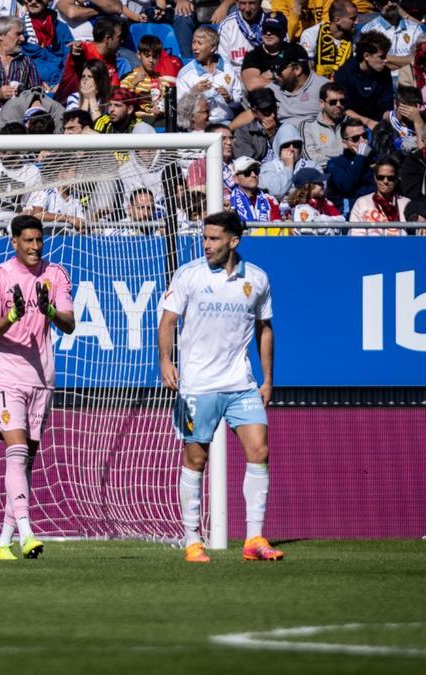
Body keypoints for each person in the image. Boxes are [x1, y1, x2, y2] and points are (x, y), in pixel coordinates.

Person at [157, 210, 280, 564]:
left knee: (259, 451)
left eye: (213, 238)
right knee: (196, 458)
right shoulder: (190, 275)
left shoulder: (256, 279)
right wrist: (166, 362)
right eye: (205, 237)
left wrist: (268, 379)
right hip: (197, 384)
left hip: (241, 383)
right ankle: (193, 540)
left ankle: (254, 538)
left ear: (233, 241)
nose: (206, 244)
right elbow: (168, 321)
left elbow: (265, 329)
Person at [0, 214, 75, 560]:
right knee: (17, 452)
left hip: (42, 376)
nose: (36, 247)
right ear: (15, 242)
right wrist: (12, 316)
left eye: (39, 240)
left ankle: (3, 543)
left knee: (26, 461)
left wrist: (50, 310)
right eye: (28, 241)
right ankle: (27, 535)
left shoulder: (56, 274)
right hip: (7, 374)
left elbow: (70, 324)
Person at [175, 25, 243, 124]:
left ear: (213, 48)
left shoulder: (228, 69)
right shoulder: (185, 74)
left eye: (199, 43)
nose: (194, 48)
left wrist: (229, 98)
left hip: (225, 123)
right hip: (198, 126)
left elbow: (238, 101)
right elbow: (180, 109)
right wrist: (193, 92)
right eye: (193, 42)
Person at [333, 31, 394, 131]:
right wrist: (367, 122)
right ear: (366, 56)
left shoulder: (385, 72)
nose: (386, 61)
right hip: (350, 124)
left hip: (377, 123)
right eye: (381, 57)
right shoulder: (344, 73)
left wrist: (387, 122)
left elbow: (387, 106)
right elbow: (343, 108)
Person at [326, 118, 375, 214]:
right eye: (355, 138)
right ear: (345, 143)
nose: (362, 141)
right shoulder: (335, 164)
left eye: (364, 136)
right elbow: (346, 186)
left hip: (374, 212)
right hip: (351, 215)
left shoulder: (375, 159)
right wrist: (360, 157)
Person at [349, 157, 410, 234]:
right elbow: (356, 234)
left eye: (390, 178)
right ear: (375, 177)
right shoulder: (362, 202)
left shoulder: (406, 204)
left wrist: (422, 221)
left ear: (396, 178)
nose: (385, 181)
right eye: (381, 177)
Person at [299, 0, 357, 78]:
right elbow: (308, 68)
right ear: (337, 20)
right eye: (353, 19)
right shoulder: (311, 34)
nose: (357, 22)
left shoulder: (357, 36)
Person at [240, 11, 288, 91]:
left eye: (273, 29)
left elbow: (305, 79)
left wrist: (264, 77)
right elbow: (252, 84)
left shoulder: (295, 50)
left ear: (284, 31)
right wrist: (277, 76)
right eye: (265, 29)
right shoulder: (253, 56)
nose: (268, 33)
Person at [302, 82, 350, 164]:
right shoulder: (308, 126)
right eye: (333, 102)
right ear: (322, 103)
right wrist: (342, 158)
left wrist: (322, 151)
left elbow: (359, 152)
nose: (339, 105)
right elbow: (310, 158)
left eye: (342, 101)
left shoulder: (352, 123)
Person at [229, 156, 281, 222]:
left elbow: (277, 227)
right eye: (247, 172)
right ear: (236, 179)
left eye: (256, 171)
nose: (253, 175)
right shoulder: (228, 202)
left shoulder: (270, 200)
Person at [217, 0, 266, 64]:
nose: (247, 9)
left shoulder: (272, 22)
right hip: (236, 72)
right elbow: (223, 62)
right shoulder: (227, 26)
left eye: (252, 3)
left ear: (260, 3)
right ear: (237, 4)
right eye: (243, 3)